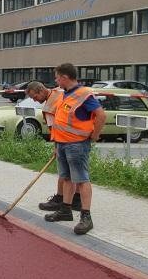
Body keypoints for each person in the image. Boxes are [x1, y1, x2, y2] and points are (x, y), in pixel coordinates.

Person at [43, 63, 105, 235]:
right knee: (67, 178)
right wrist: (57, 144)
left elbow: (101, 115)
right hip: (62, 144)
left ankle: (86, 217)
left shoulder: (84, 94)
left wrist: (95, 135)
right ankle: (65, 210)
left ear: (64, 77)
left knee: (82, 179)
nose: (55, 80)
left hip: (77, 145)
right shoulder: (65, 94)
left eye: (57, 77)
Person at [25, 81, 82, 212]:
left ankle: (60, 199)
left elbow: (54, 130)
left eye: (35, 97)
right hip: (79, 137)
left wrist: (56, 148)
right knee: (78, 171)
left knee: (64, 173)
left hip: (66, 140)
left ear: (41, 91)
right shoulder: (60, 91)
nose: (35, 100)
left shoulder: (49, 108)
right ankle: (77, 200)